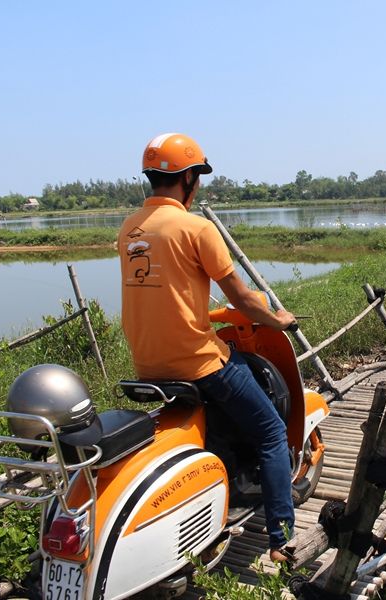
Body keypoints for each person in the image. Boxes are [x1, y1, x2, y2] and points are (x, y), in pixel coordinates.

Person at [117, 133, 296, 562]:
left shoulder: (129, 229)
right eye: (197, 177)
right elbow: (241, 296)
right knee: (272, 431)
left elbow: (168, 295)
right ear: (188, 179)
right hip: (198, 364)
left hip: (146, 367)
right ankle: (281, 539)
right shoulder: (197, 228)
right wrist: (278, 318)